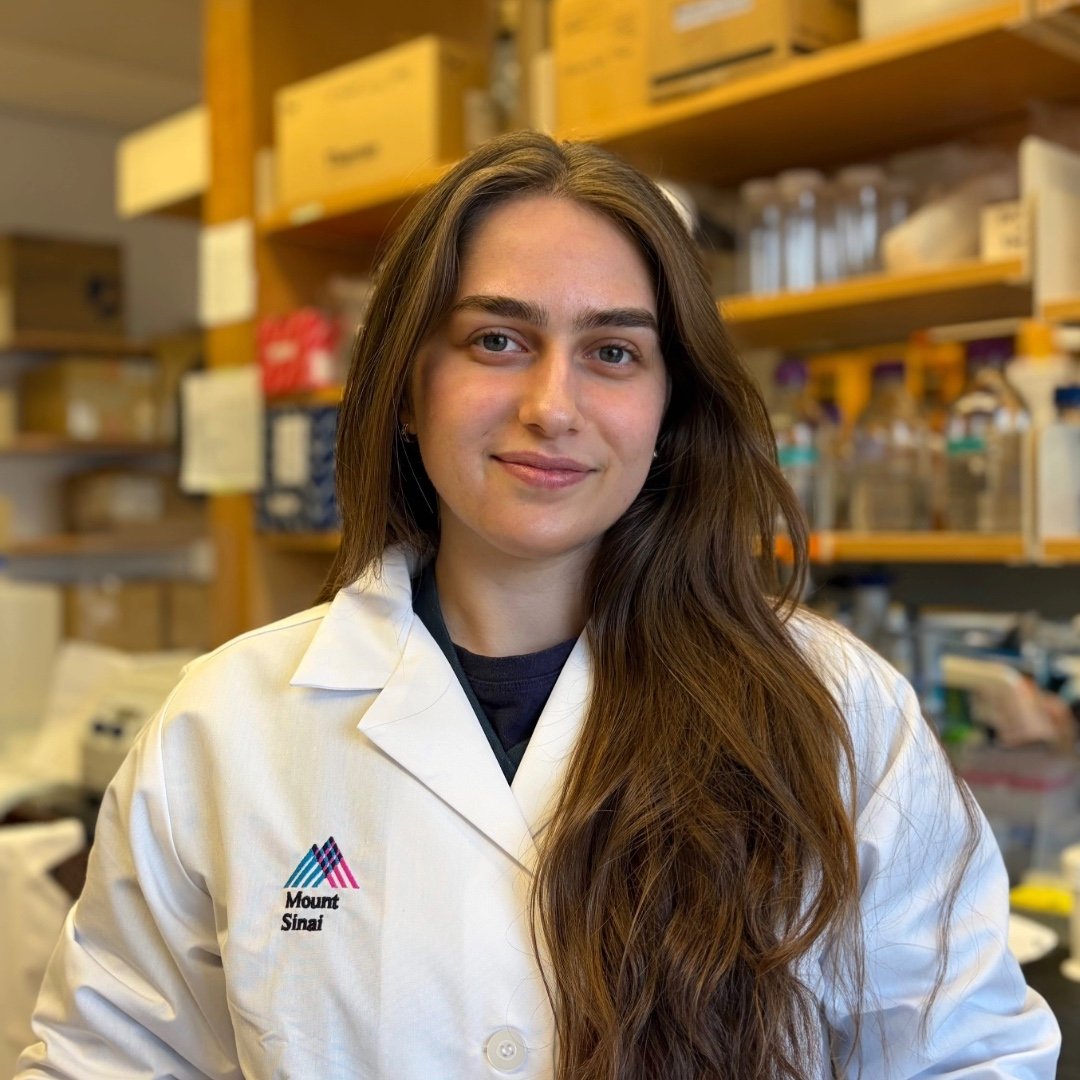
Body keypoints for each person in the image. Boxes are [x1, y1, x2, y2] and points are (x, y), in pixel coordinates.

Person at [17, 132, 1059, 1080]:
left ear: (667, 412)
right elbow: (106, 1060)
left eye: (613, 352)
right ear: (409, 388)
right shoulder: (228, 726)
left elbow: (968, 1058)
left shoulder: (838, 711)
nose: (552, 407)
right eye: (497, 341)